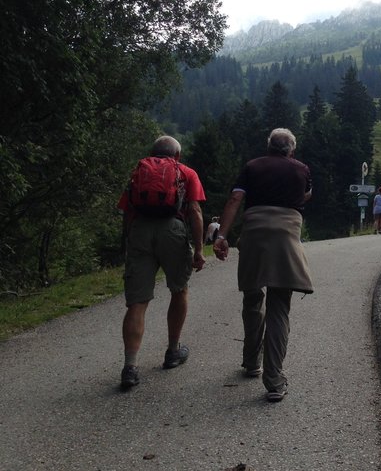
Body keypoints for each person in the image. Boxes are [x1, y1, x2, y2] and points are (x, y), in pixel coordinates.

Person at [213, 128, 313, 403]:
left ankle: (251, 361)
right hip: (286, 237)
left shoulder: (252, 166)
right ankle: (274, 380)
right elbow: (305, 196)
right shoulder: (301, 169)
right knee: (279, 306)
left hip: (254, 234)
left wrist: (222, 236)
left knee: (253, 297)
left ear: (268, 146)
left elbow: (235, 199)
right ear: (291, 149)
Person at [117, 136, 206, 389]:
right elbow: (195, 212)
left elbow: (127, 211)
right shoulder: (186, 172)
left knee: (137, 301)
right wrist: (199, 250)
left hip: (140, 231)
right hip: (173, 231)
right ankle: (172, 351)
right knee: (179, 290)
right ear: (176, 155)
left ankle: (130, 367)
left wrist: (127, 243)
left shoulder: (138, 172)